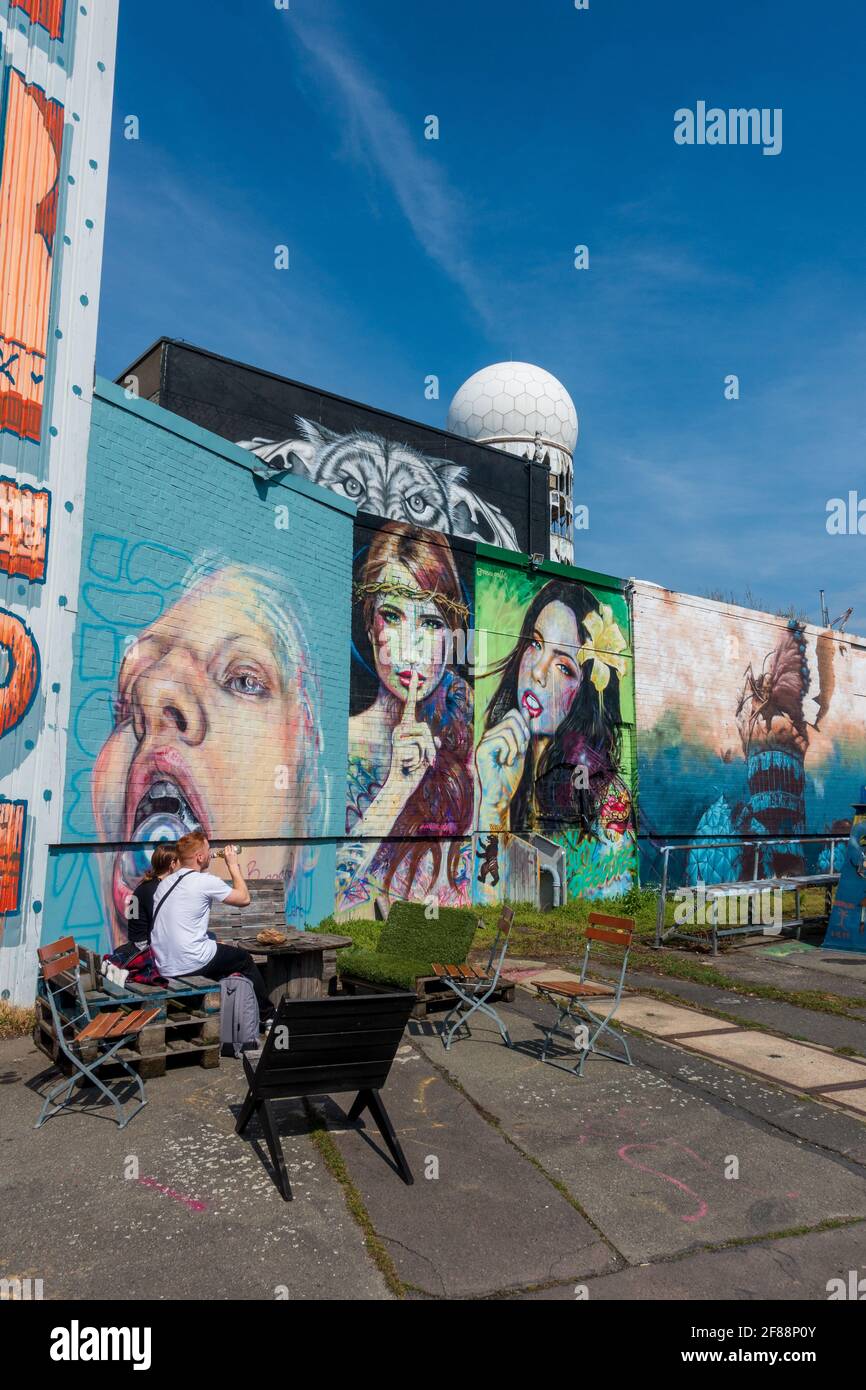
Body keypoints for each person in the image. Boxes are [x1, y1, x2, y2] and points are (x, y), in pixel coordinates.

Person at [91, 557, 328, 947]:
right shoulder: (169, 889)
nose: (150, 692)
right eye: (135, 679)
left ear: (310, 810)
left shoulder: (191, 885)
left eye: (244, 681)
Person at [339, 521, 473, 913]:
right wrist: (396, 787)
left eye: (431, 623)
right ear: (369, 623)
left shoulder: (463, 743)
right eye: (393, 616)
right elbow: (323, 899)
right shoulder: (340, 746)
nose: (410, 647)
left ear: (451, 638)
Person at [151, 831, 274, 1024]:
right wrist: (233, 865)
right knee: (244, 959)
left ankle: (227, 1014)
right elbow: (244, 899)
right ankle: (267, 1017)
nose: (210, 854)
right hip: (189, 962)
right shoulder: (204, 881)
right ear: (199, 857)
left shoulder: (164, 884)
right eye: (208, 851)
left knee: (217, 950)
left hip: (165, 964)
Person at [127, 842, 178, 947]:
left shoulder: (144, 887)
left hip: (136, 943)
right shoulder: (157, 890)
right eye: (180, 863)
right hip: (145, 947)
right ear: (172, 865)